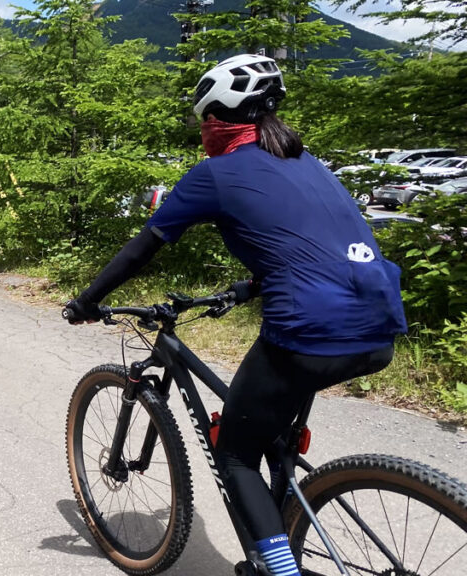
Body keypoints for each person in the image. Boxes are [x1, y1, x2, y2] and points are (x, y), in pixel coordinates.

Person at [63, 54, 407, 576]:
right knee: (267, 434)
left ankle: (277, 570)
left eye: (203, 120)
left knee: (235, 454)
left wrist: (87, 300)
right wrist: (248, 287)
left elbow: (143, 247)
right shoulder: (307, 163)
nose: (202, 131)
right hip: (379, 323)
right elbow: (311, 249)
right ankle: (284, 518)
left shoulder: (216, 174)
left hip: (307, 333)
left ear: (218, 119)